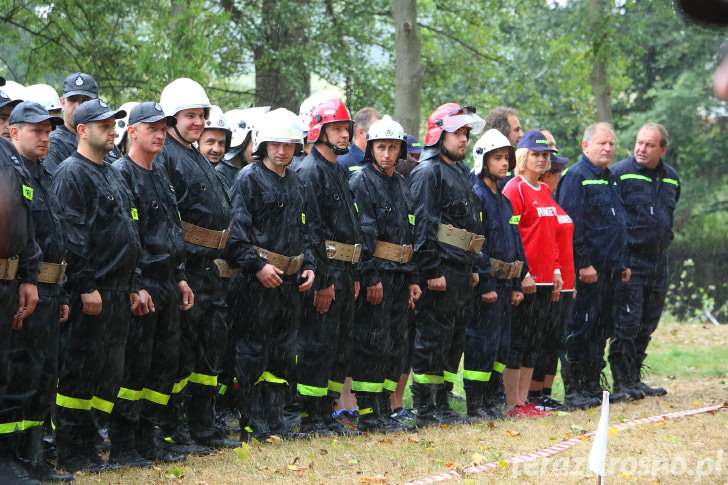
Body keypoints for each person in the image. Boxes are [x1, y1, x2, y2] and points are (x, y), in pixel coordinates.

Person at [51, 99, 144, 473]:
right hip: (92, 292)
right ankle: (71, 450)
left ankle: (91, 445)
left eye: (114, 123)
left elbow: (130, 231)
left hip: (119, 292)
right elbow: (71, 236)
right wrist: (86, 284)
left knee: (107, 374)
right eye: (103, 125)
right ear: (81, 130)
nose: (112, 129)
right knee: (79, 371)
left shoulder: (113, 172)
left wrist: (135, 284)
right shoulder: (70, 173)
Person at [110, 102, 195, 467]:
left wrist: (179, 277)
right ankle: (123, 442)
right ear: (132, 131)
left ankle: (149, 435)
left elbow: (171, 231)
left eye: (164, 128)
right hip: (141, 285)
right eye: (152, 128)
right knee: (135, 365)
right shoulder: (120, 174)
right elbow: (126, 239)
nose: (160, 134)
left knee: (164, 362)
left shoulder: (160, 172)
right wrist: (137, 283)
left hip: (167, 283)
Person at [225, 108, 317, 441]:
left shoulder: (296, 181)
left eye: (289, 144)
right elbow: (236, 236)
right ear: (263, 144)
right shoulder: (248, 178)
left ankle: (276, 419)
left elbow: (306, 231)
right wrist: (258, 266)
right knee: (252, 351)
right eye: (275, 144)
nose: (282, 151)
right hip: (255, 284)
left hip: (290, 284)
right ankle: (252, 421)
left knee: (283, 351)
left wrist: (309, 266)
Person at [156, 78, 236, 451]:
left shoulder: (195, 154)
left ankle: (204, 425)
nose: (199, 122)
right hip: (185, 268)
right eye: (190, 116)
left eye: (201, 115)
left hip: (210, 269)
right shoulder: (166, 157)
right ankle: (174, 429)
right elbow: (167, 220)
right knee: (181, 352)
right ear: (172, 117)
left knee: (209, 348)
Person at [5, 102, 74, 483]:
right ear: (14, 133)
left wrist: (61, 293)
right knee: (18, 375)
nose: (45, 137)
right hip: (22, 289)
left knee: (44, 375)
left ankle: (32, 456)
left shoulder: (44, 175)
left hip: (49, 289)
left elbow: (55, 241)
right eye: (36, 131)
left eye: (48, 130)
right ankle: (8, 459)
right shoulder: (11, 175)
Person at [408, 103, 485, 427]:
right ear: (439, 134)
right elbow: (423, 225)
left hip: (462, 272)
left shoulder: (459, 172)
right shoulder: (429, 172)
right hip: (441, 273)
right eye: (458, 134)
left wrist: (474, 266)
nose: (464, 140)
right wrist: (431, 271)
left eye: (466, 134)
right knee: (433, 341)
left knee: (454, 341)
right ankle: (426, 409)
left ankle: (442, 402)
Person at [293, 97, 362, 436]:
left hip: (346, 274)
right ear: (319, 131)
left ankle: (329, 412)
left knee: (340, 346)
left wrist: (355, 274)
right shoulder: (309, 172)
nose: (343, 135)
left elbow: (349, 227)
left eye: (346, 129)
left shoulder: (337, 170)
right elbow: (311, 232)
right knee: (318, 345)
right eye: (336, 128)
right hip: (327, 275)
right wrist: (323, 279)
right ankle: (311, 417)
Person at [348, 116, 421, 433]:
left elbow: (410, 233)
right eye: (381, 147)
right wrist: (370, 277)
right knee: (371, 343)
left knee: (395, 344)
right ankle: (369, 411)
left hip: (401, 277)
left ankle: (385, 408)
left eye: (393, 147)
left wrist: (413, 278)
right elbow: (361, 236)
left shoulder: (402, 184)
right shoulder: (361, 182)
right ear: (371, 149)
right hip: (377, 275)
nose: (387, 153)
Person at [556, 122, 630, 408]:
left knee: (602, 328)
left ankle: (591, 384)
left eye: (611, 143)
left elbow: (617, 222)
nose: (608, 148)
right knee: (581, 327)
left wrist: (623, 262)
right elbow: (572, 225)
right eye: (602, 143)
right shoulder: (576, 177)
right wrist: (583, 263)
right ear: (585, 146)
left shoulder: (610, 177)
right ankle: (574, 388)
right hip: (589, 271)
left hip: (612, 269)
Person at [609, 123, 679, 399]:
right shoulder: (620, 174)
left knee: (648, 322)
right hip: (631, 261)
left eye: (649, 145)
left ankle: (635, 378)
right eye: (639, 143)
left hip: (659, 261)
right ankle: (622, 382)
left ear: (662, 149)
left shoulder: (672, 178)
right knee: (628, 322)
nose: (641, 149)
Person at [465, 129, 527, 421]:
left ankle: (493, 397)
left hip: (506, 286)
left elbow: (516, 240)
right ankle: (476, 402)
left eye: (507, 158)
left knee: (501, 344)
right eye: (498, 158)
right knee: (482, 342)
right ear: (483, 160)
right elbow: (477, 243)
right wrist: (486, 282)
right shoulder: (476, 197)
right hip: (488, 288)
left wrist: (517, 282)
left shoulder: (506, 202)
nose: (504, 164)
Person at [0, 82, 43, 484]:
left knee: (9, 370)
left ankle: (10, 459)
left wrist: (27, 277)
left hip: (9, 278)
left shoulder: (11, 160)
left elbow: (24, 223)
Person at [501, 130, 560, 418]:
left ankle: (525, 401)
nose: (541, 159)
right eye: (536, 154)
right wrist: (521, 273)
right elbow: (510, 236)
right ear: (523, 157)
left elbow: (552, 235)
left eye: (545, 155)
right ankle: (512, 402)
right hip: (526, 279)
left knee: (535, 341)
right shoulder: (515, 189)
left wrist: (557, 269)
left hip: (547, 279)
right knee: (519, 340)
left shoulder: (545, 190)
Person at [43, 72, 98, 173]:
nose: (79, 107)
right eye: (73, 100)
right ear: (62, 103)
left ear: (97, 103)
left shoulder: (104, 141)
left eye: (85, 100)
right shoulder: (53, 145)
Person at [215, 107, 269, 188]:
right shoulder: (221, 175)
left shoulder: (261, 171)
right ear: (241, 145)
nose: (260, 151)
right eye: (255, 143)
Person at [336, 107, 382, 175]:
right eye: (376, 132)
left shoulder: (381, 160)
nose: (380, 136)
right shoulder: (342, 162)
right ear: (360, 132)